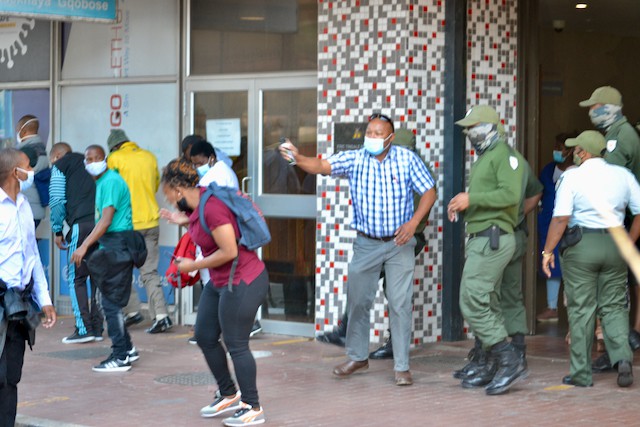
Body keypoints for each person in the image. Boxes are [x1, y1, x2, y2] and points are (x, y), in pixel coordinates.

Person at [280, 113, 436, 386]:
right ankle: (358, 357)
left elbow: (429, 191)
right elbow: (321, 165)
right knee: (358, 301)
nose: (373, 138)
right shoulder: (356, 158)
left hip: (399, 244)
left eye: (378, 134)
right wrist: (297, 157)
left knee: (399, 304)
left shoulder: (406, 159)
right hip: (366, 244)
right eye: (370, 133)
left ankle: (402, 367)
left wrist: (413, 223)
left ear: (390, 137)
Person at [161, 159, 269, 426]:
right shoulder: (199, 206)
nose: (170, 202)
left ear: (177, 190)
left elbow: (229, 251)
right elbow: (206, 232)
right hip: (221, 280)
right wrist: (183, 221)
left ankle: (252, 406)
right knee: (205, 336)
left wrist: (192, 265)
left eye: (168, 196)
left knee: (236, 344)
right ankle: (228, 393)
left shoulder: (212, 207)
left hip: (243, 280)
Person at [316, 128, 434, 361]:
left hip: (402, 240)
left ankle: (385, 343)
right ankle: (351, 331)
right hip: (390, 240)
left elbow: (418, 205)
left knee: (390, 293)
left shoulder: (410, 167)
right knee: (372, 288)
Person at [541, 130, 640, 388]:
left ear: (583, 152)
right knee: (615, 305)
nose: (572, 152)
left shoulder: (572, 176)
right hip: (615, 243)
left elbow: (561, 218)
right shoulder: (623, 175)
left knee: (582, 308)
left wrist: (548, 250)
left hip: (582, 245)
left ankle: (581, 373)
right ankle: (623, 358)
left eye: (575, 149)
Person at [453, 119, 543, 387]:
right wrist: (466, 206)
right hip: (491, 235)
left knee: (494, 297)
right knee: (487, 298)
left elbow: (517, 195)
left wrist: (511, 218)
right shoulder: (488, 156)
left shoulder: (506, 156)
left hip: (500, 237)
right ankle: (491, 358)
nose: (470, 133)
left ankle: (509, 356)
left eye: (474, 127)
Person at [580, 87, 640, 367]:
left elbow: (611, 182)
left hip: (622, 225)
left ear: (611, 107)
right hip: (623, 223)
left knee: (612, 292)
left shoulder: (621, 136)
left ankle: (616, 350)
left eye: (597, 106)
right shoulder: (614, 134)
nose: (592, 112)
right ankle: (617, 353)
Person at [70, 145, 142, 372]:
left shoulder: (110, 181)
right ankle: (127, 348)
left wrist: (84, 245)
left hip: (117, 244)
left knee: (109, 303)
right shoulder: (103, 182)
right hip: (113, 244)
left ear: (106, 159)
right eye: (88, 159)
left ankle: (121, 355)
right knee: (108, 300)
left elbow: (106, 220)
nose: (92, 162)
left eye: (96, 158)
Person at [0, 148, 57, 425]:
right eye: (27, 167)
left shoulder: (23, 206)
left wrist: (44, 299)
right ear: (15, 172)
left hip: (19, 306)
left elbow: (32, 255)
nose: (31, 171)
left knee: (11, 377)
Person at [106, 129, 172, 334]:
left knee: (120, 270)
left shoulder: (115, 159)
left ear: (114, 146)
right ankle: (161, 316)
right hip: (150, 221)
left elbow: (112, 191)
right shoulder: (149, 156)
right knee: (150, 271)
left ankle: (133, 311)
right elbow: (153, 187)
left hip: (127, 224)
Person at [49, 142, 104, 344]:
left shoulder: (60, 166)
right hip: (100, 225)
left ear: (56, 156)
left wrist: (57, 230)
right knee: (98, 276)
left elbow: (56, 200)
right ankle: (98, 328)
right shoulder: (89, 162)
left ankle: (84, 329)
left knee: (76, 277)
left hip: (80, 226)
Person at [537, 133, 576, 322]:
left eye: (559, 147)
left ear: (570, 151)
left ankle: (573, 313)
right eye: (556, 146)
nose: (556, 151)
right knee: (551, 265)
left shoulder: (578, 172)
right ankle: (552, 307)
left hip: (571, 226)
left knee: (571, 266)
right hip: (548, 224)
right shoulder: (548, 170)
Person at [15, 115, 48, 228]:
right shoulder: (40, 149)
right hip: (36, 208)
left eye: (17, 130)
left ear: (23, 131)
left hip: (27, 207)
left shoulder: (26, 152)